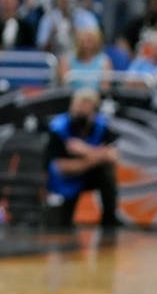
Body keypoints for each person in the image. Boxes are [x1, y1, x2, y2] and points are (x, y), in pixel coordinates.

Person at [45, 88, 123, 229]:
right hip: (65, 180)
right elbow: (61, 166)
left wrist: (86, 151)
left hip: (89, 175)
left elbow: (114, 156)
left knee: (107, 172)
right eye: (79, 107)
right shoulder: (59, 128)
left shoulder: (101, 125)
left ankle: (109, 221)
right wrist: (97, 156)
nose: (82, 112)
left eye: (87, 108)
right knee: (60, 224)